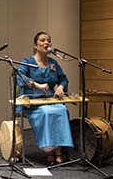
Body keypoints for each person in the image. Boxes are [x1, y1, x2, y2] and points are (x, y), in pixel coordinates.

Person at [16, 31, 74, 165]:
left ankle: (59, 151)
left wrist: (60, 87)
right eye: (42, 40)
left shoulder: (53, 63)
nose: (46, 43)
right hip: (33, 104)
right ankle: (49, 151)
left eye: (48, 40)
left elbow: (63, 78)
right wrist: (37, 85)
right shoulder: (28, 62)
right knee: (47, 113)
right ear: (35, 45)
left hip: (50, 100)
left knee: (62, 110)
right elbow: (20, 76)